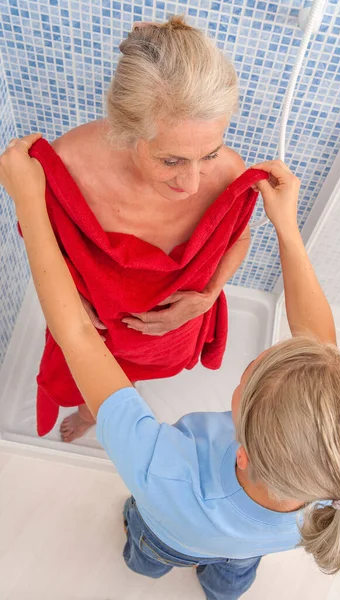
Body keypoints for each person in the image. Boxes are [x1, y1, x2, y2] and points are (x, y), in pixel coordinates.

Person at [0, 135, 340, 600]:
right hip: (254, 544)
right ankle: (223, 588)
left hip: (173, 536)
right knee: (235, 567)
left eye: (249, 375)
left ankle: (147, 562)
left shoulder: (165, 475)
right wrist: (286, 226)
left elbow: (78, 336)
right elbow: (319, 346)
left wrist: (28, 202)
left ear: (242, 454)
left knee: (148, 551)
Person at [31, 16, 254, 442]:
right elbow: (47, 243)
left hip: (172, 326)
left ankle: (110, 404)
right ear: (125, 131)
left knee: (135, 377)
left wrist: (207, 298)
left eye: (209, 153)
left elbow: (239, 238)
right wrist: (72, 299)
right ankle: (90, 410)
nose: (192, 185)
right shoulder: (68, 167)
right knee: (89, 377)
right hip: (95, 322)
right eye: (171, 160)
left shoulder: (229, 173)